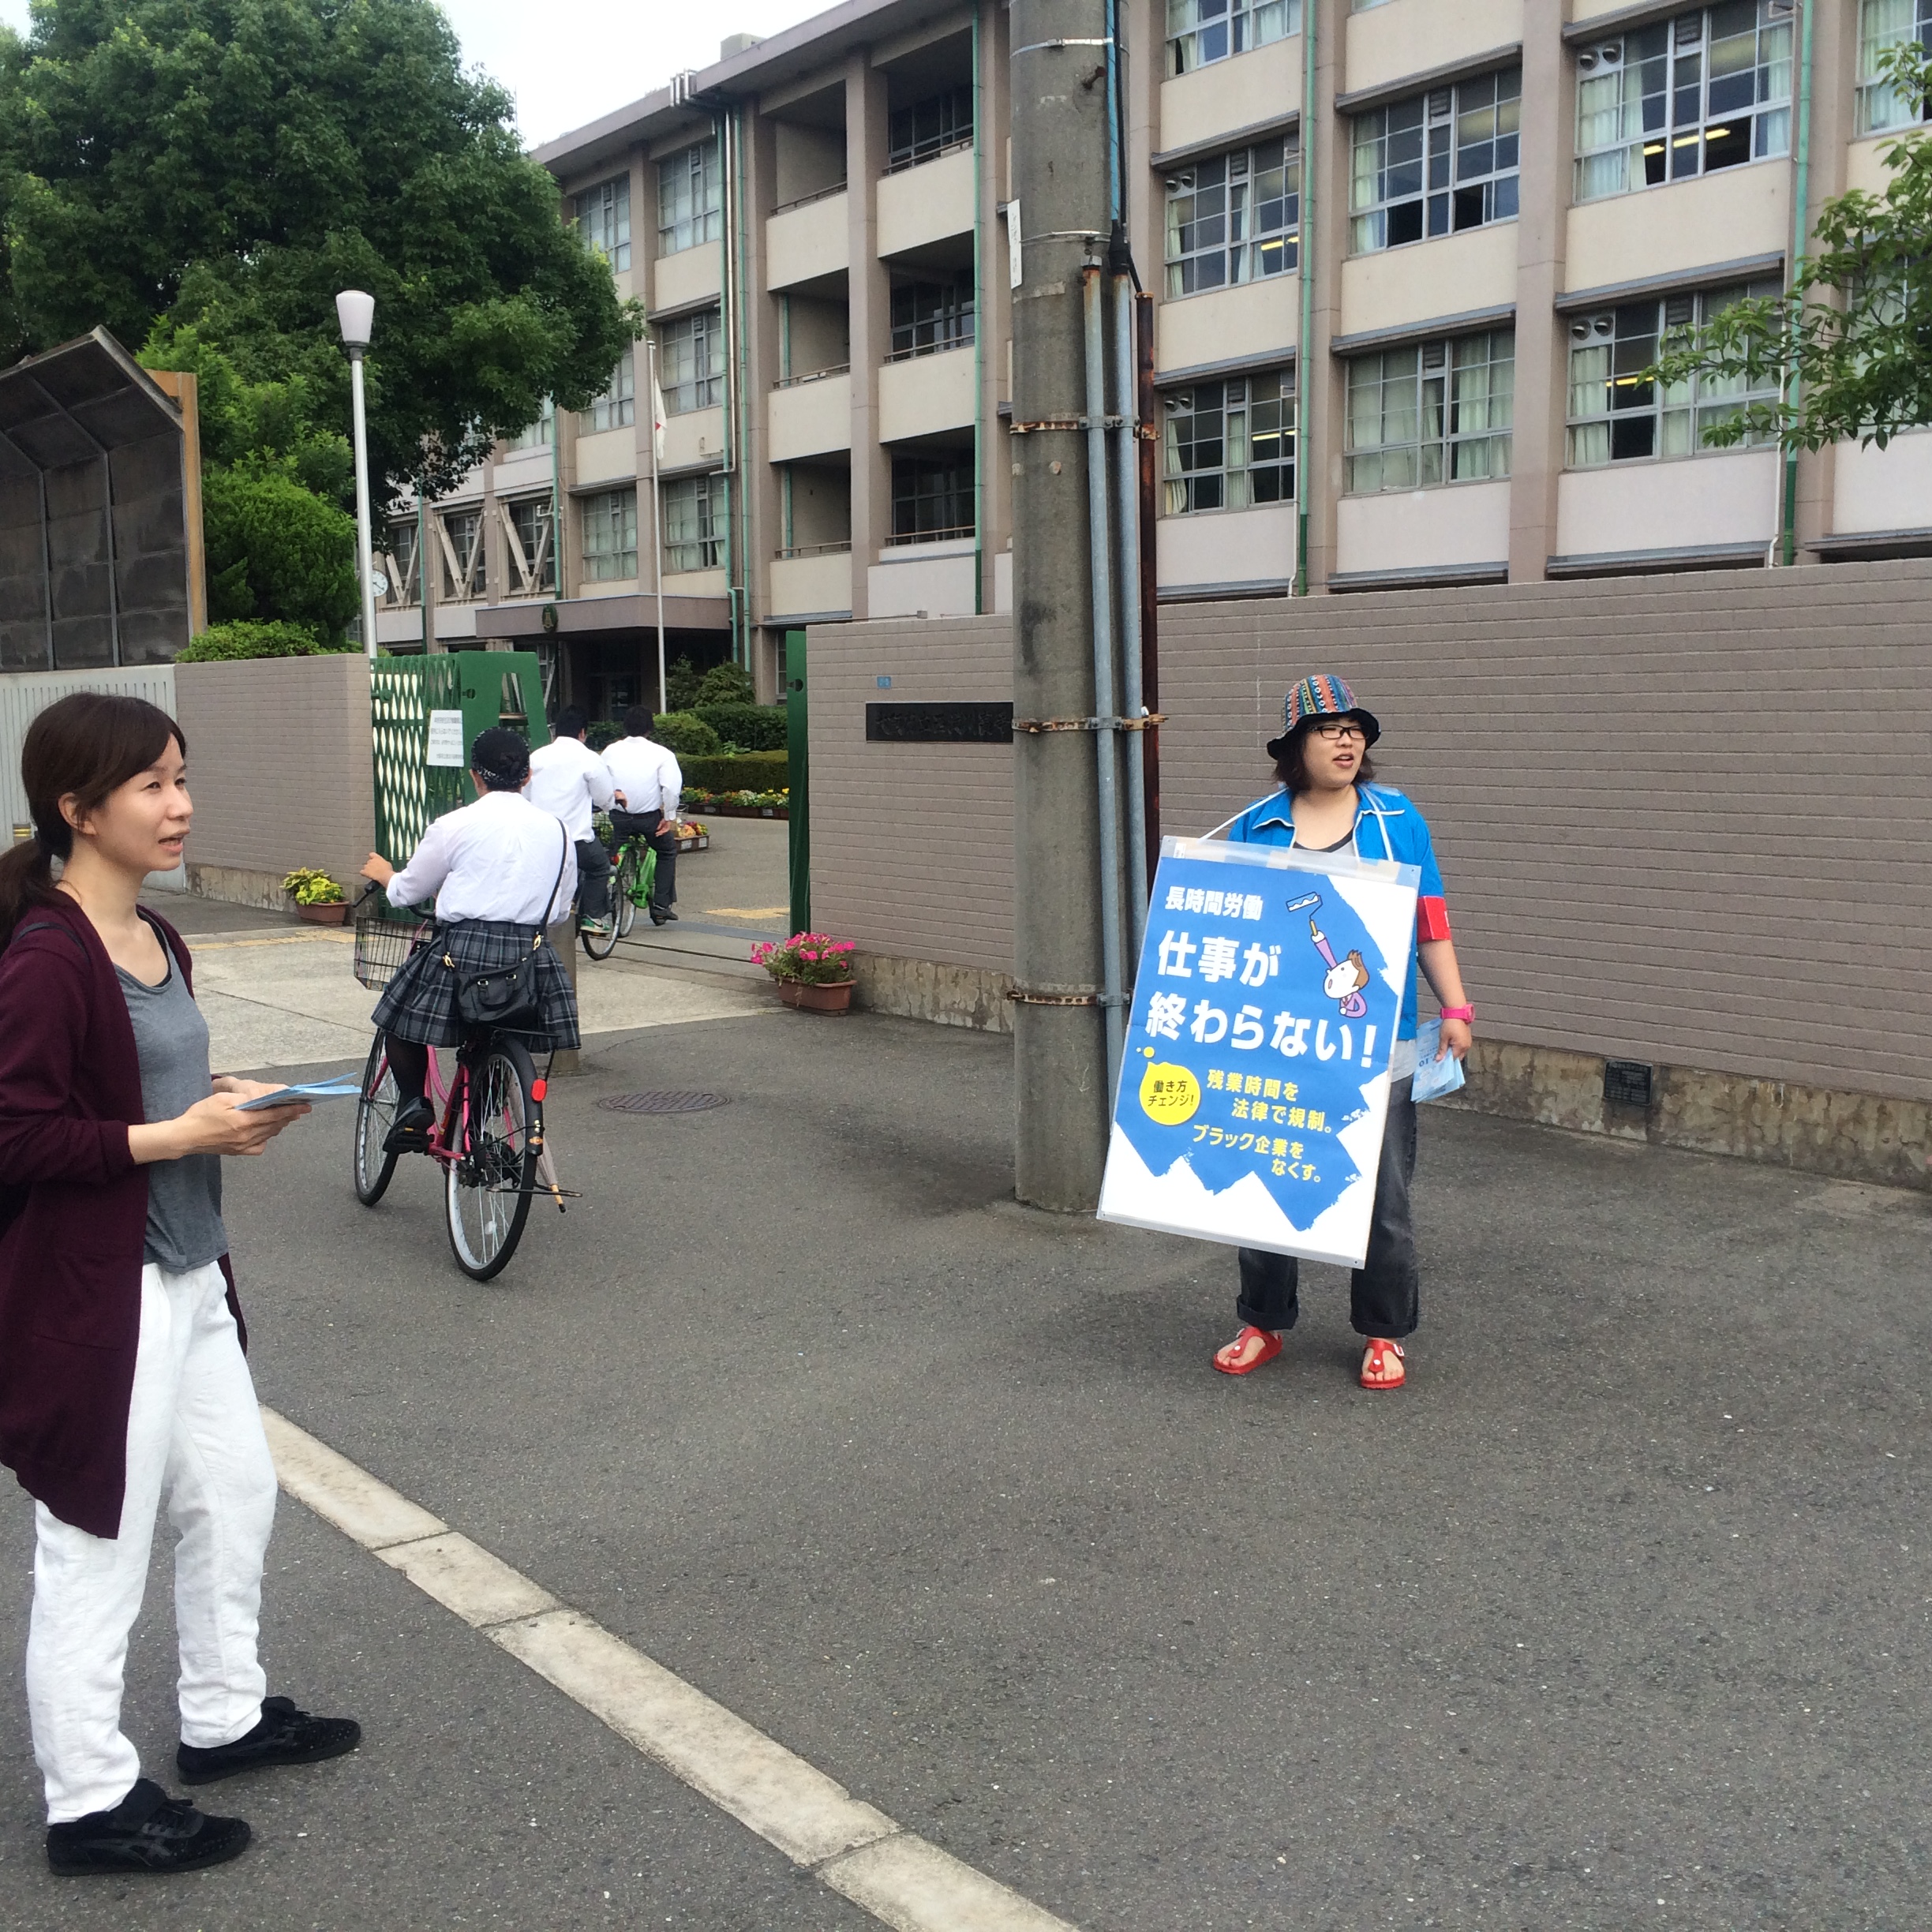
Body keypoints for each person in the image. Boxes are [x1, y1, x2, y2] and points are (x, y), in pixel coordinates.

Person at [0, 693, 360, 1878]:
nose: (180, 803)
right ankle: (90, 1801)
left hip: (190, 1272)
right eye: (152, 784)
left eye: (181, 776)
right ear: (76, 808)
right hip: (103, 1297)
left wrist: (226, 1102)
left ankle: (223, 1717)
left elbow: (146, 1088)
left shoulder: (161, 939)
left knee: (236, 1496)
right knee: (94, 1542)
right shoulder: (48, 958)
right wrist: (180, 1138)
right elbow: (20, 1138)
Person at [1211, 675, 1473, 1392]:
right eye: (1327, 728)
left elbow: (1431, 921)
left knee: (1382, 1198)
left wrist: (1456, 1008)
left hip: (1375, 1045)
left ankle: (1384, 1333)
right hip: (1278, 1045)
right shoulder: (1257, 824)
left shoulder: (1396, 818)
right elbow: (1230, 930)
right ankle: (1262, 1321)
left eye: (1354, 727)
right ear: (1295, 746)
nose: (1345, 738)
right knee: (1267, 1181)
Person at [361, 725, 580, 1153]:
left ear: (475, 776)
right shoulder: (559, 832)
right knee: (502, 1036)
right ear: (527, 775)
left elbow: (408, 892)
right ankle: (478, 1130)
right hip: (528, 955)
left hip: (463, 951)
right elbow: (557, 911)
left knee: (398, 1017)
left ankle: (412, 1106)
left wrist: (385, 873)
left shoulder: (453, 824)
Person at [525, 705, 616, 935]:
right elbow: (605, 798)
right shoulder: (589, 759)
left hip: (539, 840)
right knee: (599, 867)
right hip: (575, 842)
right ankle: (593, 917)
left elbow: (524, 796)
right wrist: (610, 803)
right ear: (582, 732)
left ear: (555, 731)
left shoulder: (536, 757)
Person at [601, 706, 683, 926]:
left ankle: (605, 899)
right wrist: (669, 816)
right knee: (667, 852)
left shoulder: (610, 751)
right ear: (650, 728)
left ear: (625, 726)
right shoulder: (662, 754)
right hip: (649, 820)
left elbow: (601, 783)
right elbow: (671, 789)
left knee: (610, 853)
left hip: (618, 817)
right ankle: (661, 906)